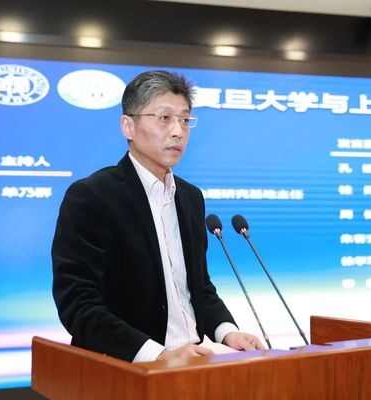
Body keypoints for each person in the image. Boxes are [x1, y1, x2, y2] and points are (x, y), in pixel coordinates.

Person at [51, 70, 265, 362]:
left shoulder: (190, 198)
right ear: (128, 126)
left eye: (185, 120)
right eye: (164, 118)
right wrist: (158, 355)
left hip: (193, 362)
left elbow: (198, 287)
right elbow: (78, 304)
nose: (178, 131)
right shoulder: (92, 196)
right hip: (124, 369)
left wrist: (227, 331)